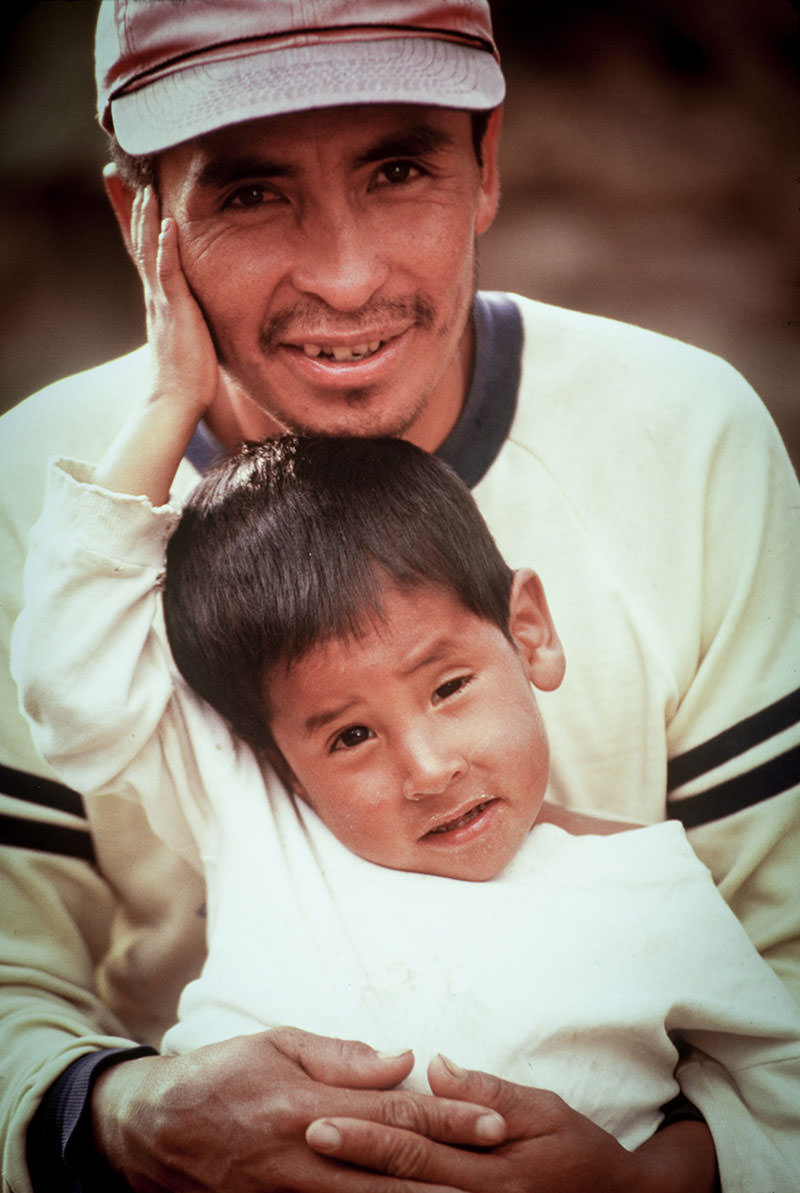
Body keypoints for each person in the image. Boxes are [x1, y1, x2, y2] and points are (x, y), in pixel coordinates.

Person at [0, 0, 798, 1190]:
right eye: (250, 193)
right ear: (140, 218)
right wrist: (126, 1116)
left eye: (399, 167)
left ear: (486, 166)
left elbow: (778, 982)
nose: (343, 275)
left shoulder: (689, 439)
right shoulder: (40, 501)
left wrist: (655, 1179)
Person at [11, 388, 800, 1192]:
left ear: (529, 631)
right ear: (276, 756)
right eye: (350, 736)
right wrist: (167, 399)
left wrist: (647, 1182)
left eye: (449, 686)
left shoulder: (653, 888)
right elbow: (71, 687)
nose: (427, 769)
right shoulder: (261, 809)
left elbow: (783, 1100)